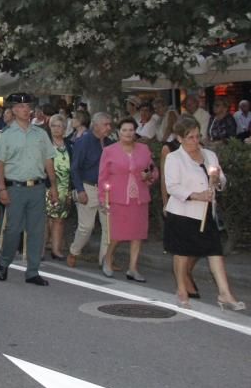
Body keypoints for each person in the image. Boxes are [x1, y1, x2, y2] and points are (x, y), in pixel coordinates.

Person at [163, 116, 244, 311]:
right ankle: (182, 290)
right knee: (181, 253)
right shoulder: (174, 158)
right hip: (182, 213)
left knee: (215, 251)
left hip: (207, 213)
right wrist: (195, 195)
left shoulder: (209, 155)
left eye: (197, 136)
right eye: (190, 137)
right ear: (180, 138)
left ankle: (225, 293)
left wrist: (217, 181)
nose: (195, 141)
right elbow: (172, 187)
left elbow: (221, 180)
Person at [0, 93, 58, 285]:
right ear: (13, 110)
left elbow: (48, 159)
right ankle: (4, 262)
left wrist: (53, 186)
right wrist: (2, 188)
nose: (24, 110)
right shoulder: (5, 135)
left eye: (27, 106)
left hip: (37, 187)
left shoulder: (40, 133)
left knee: (37, 231)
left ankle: (32, 272)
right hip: (16, 188)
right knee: (13, 230)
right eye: (20, 107)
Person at [98, 118, 156, 281]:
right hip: (118, 197)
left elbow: (152, 169)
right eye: (124, 130)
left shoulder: (144, 149)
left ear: (135, 131)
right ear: (118, 133)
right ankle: (108, 258)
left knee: (137, 234)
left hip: (139, 197)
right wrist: (103, 198)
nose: (128, 133)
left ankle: (133, 268)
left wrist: (149, 175)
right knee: (117, 234)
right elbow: (102, 176)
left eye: (131, 130)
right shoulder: (109, 151)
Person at [66, 112, 114, 269]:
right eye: (106, 124)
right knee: (86, 226)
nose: (109, 127)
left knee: (108, 227)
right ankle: (74, 251)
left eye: (109, 124)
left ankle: (105, 260)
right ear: (96, 125)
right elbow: (74, 168)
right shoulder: (84, 141)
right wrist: (79, 190)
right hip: (88, 186)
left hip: (106, 189)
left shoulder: (110, 143)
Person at [44, 114, 73, 260]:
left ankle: (56, 249)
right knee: (44, 219)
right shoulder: (45, 144)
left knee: (60, 219)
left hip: (65, 187)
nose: (56, 129)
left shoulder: (70, 144)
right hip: (47, 187)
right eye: (53, 126)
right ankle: (40, 249)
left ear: (64, 128)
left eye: (59, 126)